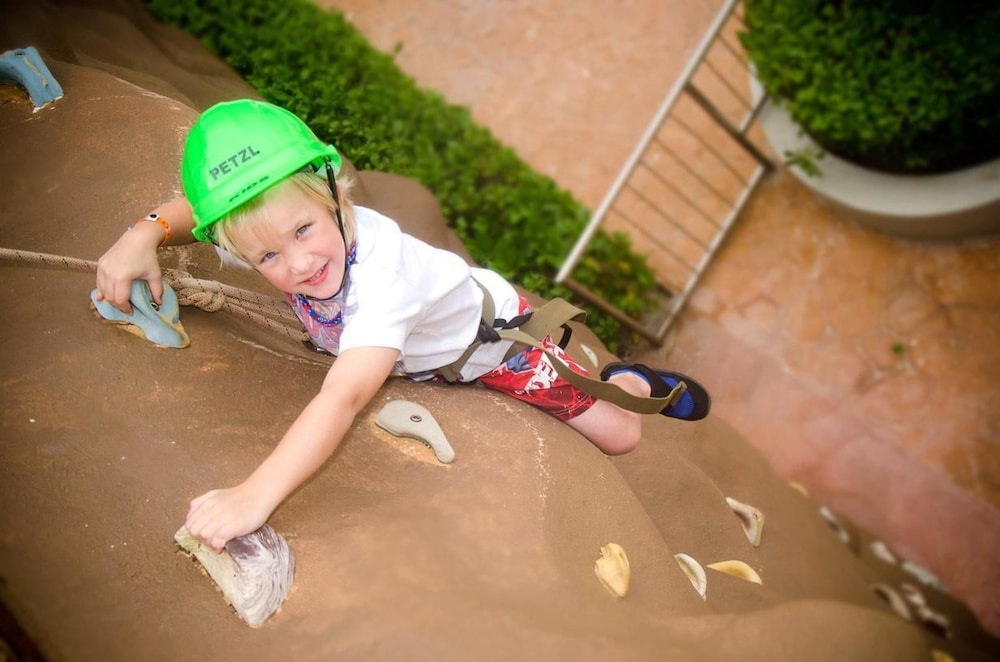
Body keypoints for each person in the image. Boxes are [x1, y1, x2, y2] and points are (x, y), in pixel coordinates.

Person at [95, 99, 711, 552]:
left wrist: (253, 496)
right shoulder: (274, 225)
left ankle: (629, 381)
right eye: (267, 258)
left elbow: (344, 396)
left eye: (304, 232)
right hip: (421, 340)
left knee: (620, 435)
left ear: (334, 195)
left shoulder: (381, 279)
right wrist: (141, 233)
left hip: (494, 345)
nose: (298, 263)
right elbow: (198, 214)